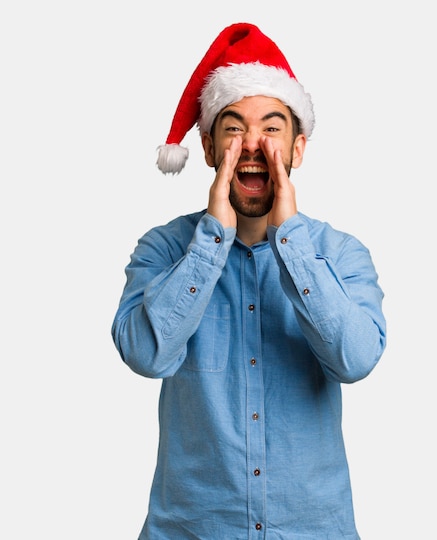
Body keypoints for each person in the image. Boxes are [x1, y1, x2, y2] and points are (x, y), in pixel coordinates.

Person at [111, 22, 387, 540]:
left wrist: (293, 245)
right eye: (234, 128)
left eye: (272, 128)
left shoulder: (341, 255)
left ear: (298, 148)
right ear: (211, 148)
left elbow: (356, 360)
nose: (253, 145)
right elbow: (146, 356)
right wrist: (212, 238)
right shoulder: (164, 250)